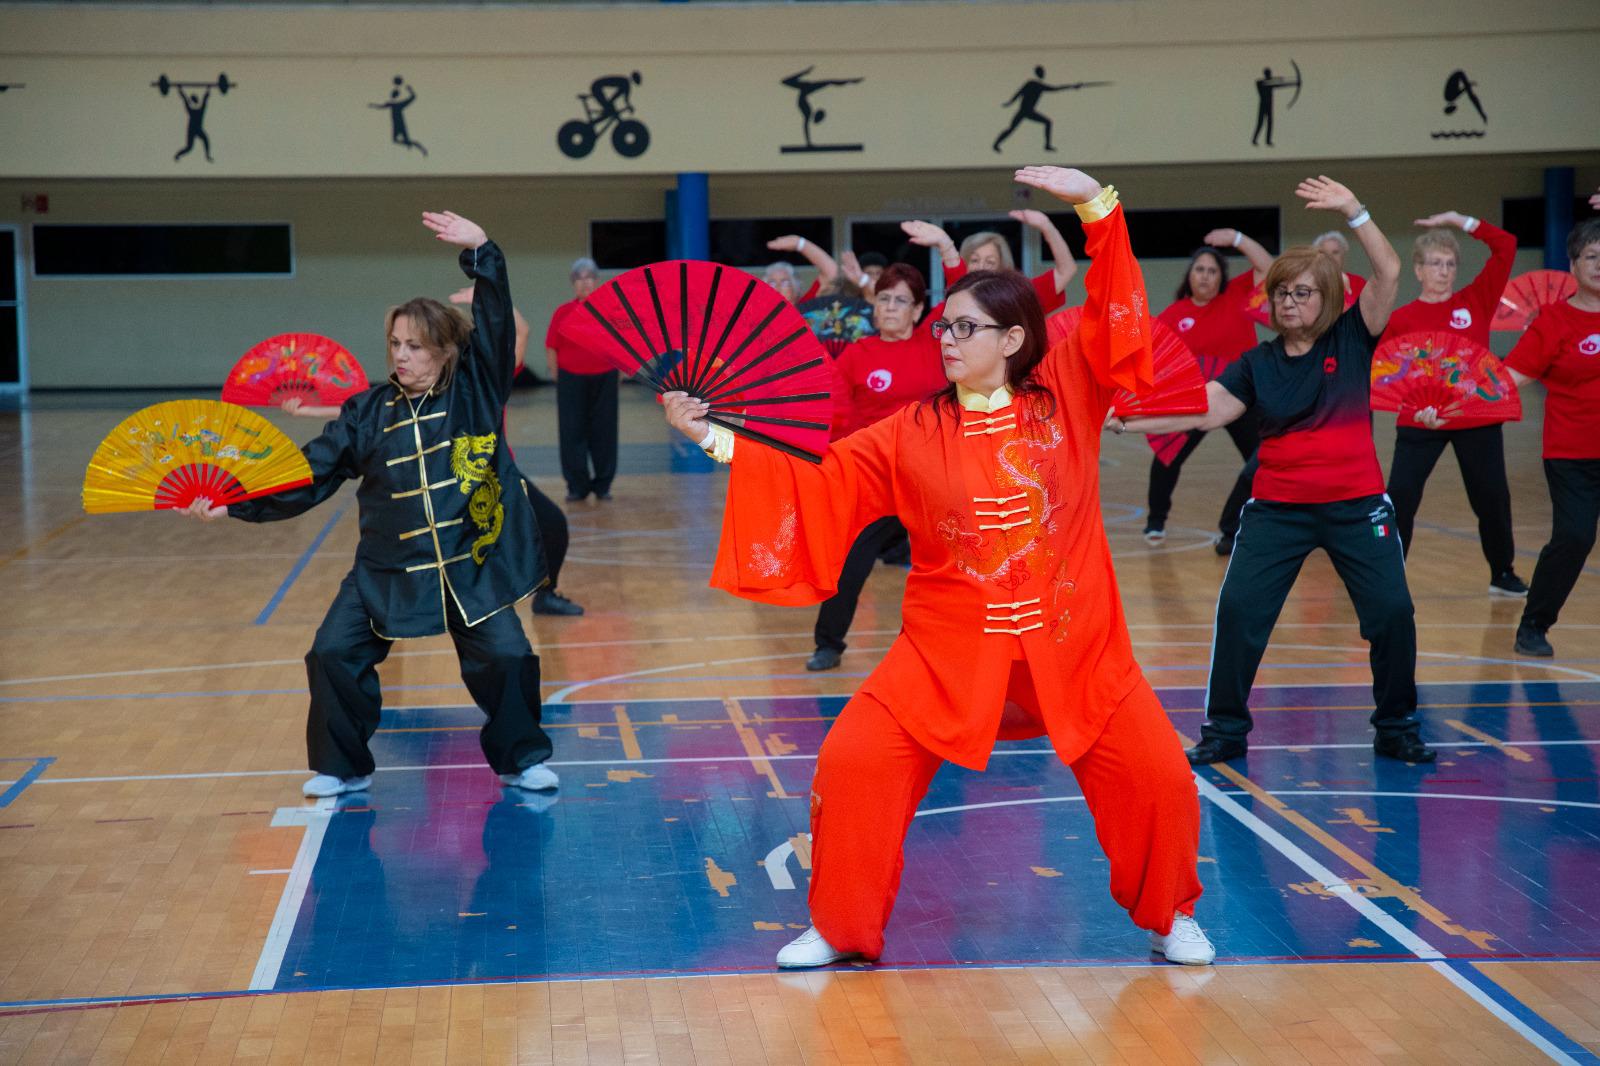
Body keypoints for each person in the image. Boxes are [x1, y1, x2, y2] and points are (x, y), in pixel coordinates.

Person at [663, 165, 1212, 970]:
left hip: (1078, 647)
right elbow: (815, 482)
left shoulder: (1067, 389)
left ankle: (1171, 917)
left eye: (963, 328)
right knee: (851, 761)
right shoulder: (910, 431)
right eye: (943, 328)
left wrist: (1098, 206)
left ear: (1014, 339)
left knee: (1161, 776)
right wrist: (711, 438)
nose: (945, 340)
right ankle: (842, 926)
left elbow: (1115, 308)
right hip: (946, 652)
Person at [181, 210, 558, 797]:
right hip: (385, 571)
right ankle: (342, 766)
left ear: (445, 351)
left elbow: (496, 322)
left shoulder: (476, 389)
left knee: (508, 657)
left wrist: (482, 248)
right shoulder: (365, 410)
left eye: (415, 346)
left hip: (471, 567)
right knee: (331, 653)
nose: (401, 355)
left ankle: (520, 759)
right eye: (395, 343)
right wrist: (234, 500)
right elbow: (312, 472)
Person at [1115, 177, 1435, 767]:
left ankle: (1396, 726)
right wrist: (1127, 418)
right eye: (1283, 293)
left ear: (1328, 299)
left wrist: (1355, 209)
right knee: (1238, 613)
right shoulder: (1256, 363)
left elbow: (1389, 273)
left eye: (1305, 293)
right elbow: (1207, 406)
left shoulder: (1354, 336)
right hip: (1276, 514)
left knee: (1392, 613)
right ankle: (1226, 731)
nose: (1291, 302)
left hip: (1357, 507)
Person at [803, 262, 946, 672]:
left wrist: (945, 249)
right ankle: (828, 644)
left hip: (930, 479)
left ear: (918, 310)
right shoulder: (856, 355)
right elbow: (834, 415)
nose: (890, 307)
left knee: (957, 562)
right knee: (850, 564)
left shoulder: (935, 348)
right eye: (884, 298)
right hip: (875, 482)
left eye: (901, 300)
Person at [1381, 210, 1527, 597]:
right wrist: (1416, 410)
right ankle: (1389, 576)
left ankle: (1502, 573)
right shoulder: (1400, 319)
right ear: (1418, 269)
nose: (1444, 271)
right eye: (1435, 263)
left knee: (1492, 498)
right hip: (1418, 422)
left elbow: (1506, 246)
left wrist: (1461, 221)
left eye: (1450, 264)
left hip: (1476, 418)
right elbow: (1390, 377)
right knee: (1401, 499)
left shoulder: (1475, 300)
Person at [1502, 217, 1600, 657]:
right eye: (1592, 257)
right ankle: (1534, 625)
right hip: (1572, 454)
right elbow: (1509, 378)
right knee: (1574, 538)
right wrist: (1450, 398)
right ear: (1573, 265)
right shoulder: (1554, 321)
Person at [1146, 228, 1272, 553]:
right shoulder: (1173, 316)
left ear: (1221, 277)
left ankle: (1247, 525)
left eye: (1212, 270)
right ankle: (1156, 521)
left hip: (1242, 398)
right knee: (1167, 455)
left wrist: (1238, 239)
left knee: (1263, 461)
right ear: (1190, 276)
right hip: (1196, 402)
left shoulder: (1239, 296)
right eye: (1199, 270)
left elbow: (1267, 267)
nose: (1205, 276)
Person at [545, 257, 620, 502]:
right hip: (571, 379)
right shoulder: (563, 312)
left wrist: (618, 372)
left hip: (605, 378)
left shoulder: (610, 311)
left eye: (589, 278)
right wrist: (556, 374)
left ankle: (603, 485)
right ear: (573, 284)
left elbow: (621, 345)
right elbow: (551, 346)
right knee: (571, 432)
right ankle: (576, 486)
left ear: (597, 281)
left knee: (604, 432)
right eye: (579, 279)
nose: (585, 283)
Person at [906, 215, 1077, 315]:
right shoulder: (959, 293)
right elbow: (955, 272)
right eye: (974, 260)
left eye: (990, 262)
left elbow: (1067, 270)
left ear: (1002, 268)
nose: (981, 267)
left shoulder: (1019, 297)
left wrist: (1046, 227)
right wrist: (945, 244)